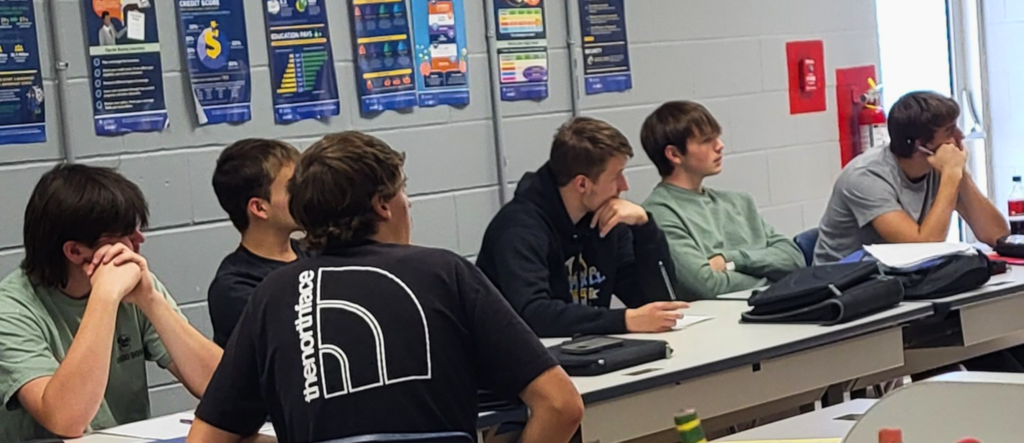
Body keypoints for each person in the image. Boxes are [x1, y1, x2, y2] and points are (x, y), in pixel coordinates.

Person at [187, 132, 583, 443]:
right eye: (402, 190)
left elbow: (206, 438)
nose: (409, 204)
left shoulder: (272, 295)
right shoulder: (445, 273)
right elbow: (561, 404)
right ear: (381, 204)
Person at [0, 164, 223, 441]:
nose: (139, 240)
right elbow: (66, 421)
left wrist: (151, 300)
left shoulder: (135, 284)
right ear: (75, 251)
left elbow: (224, 388)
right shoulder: (10, 311)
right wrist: (104, 298)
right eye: (125, 234)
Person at [476, 117, 688, 338]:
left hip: (582, 347)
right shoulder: (518, 229)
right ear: (582, 184)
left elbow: (658, 301)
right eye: (616, 176)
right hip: (520, 353)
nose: (624, 186)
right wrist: (624, 320)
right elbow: (533, 314)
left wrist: (645, 227)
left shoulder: (607, 218)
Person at [815, 91, 1009, 264]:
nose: (961, 136)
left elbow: (997, 236)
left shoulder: (940, 166)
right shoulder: (866, 177)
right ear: (920, 144)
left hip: (895, 277)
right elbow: (923, 249)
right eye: (950, 131)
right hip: (843, 282)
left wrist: (961, 175)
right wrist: (951, 175)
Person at [640, 101, 805, 300]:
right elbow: (707, 285)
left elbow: (794, 259)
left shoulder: (740, 203)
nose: (719, 146)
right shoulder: (659, 213)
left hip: (771, 307)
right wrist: (776, 281)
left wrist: (731, 260)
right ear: (674, 154)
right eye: (706, 141)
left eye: (717, 137)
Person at [209, 139, 310, 347]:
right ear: (260, 208)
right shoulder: (234, 288)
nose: (306, 195)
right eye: (293, 188)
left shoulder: (316, 253)